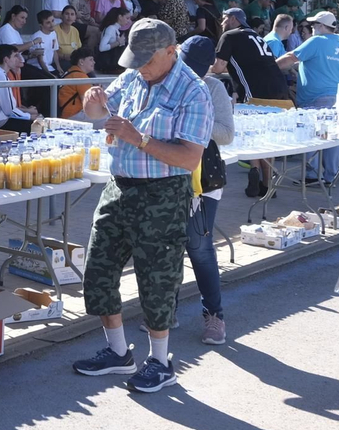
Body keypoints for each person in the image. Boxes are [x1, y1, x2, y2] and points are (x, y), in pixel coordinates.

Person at [72, 19, 211, 393]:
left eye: (147, 60)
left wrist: (139, 138)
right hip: (120, 186)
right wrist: (95, 107)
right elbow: (103, 116)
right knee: (98, 268)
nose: (140, 68)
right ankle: (118, 352)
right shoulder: (133, 77)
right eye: (136, 60)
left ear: (171, 51)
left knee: (157, 279)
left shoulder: (193, 91)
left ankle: (161, 361)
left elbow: (189, 159)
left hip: (163, 194)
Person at [176, 36, 233, 346]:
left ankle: (214, 316)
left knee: (199, 247)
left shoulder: (214, 88)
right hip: (168, 174)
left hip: (204, 179)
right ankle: (165, 310)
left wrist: (196, 121)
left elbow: (226, 134)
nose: (188, 72)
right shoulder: (166, 81)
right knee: (168, 244)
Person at [277, 10, 339, 186]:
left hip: (315, 99)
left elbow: (290, 57)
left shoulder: (316, 41)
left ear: (320, 26)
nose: (311, 28)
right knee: (332, 138)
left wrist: (269, 67)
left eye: (313, 25)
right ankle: (329, 176)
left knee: (311, 137)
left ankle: (311, 175)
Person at [216, 7, 291, 197]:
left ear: (233, 19)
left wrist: (199, 70)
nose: (221, 22)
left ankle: (257, 174)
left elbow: (218, 67)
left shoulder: (230, 36)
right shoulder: (258, 37)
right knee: (266, 138)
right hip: (280, 90)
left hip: (256, 93)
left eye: (224, 18)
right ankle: (265, 183)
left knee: (254, 136)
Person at [0, 45, 37, 132]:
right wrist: (29, 117)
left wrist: (27, 112)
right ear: (6, 59)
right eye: (15, 56)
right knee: (36, 126)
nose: (18, 59)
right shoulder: (0, 76)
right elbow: (9, 110)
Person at [57, 47, 96, 119]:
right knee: (107, 118)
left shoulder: (71, 71)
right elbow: (88, 103)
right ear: (81, 62)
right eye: (91, 60)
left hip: (65, 114)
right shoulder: (80, 76)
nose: (94, 62)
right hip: (73, 116)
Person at [97, 8, 133, 74]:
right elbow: (101, 48)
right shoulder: (111, 29)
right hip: (107, 61)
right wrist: (118, 43)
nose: (128, 21)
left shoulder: (115, 29)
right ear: (120, 17)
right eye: (127, 18)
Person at [55, 6, 84, 72]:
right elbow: (52, 52)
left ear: (75, 17)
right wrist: (64, 56)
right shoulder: (55, 30)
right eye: (67, 14)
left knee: (89, 69)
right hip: (60, 61)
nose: (69, 17)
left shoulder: (75, 30)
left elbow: (79, 48)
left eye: (72, 14)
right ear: (62, 16)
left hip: (74, 60)